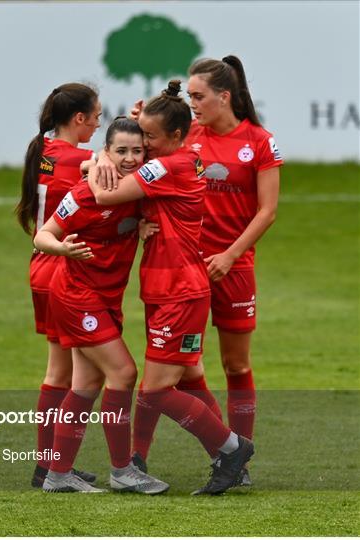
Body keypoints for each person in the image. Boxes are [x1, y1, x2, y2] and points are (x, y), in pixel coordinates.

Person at [88, 80, 254, 495]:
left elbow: (106, 197)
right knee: (190, 376)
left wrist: (95, 164)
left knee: (156, 390)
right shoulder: (187, 155)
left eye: (150, 136)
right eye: (142, 134)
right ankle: (214, 458)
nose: (142, 143)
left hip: (178, 291)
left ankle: (232, 448)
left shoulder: (167, 166)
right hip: (172, 288)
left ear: (175, 137)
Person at [131, 56, 283, 486]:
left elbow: (267, 211)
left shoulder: (259, 141)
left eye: (199, 96)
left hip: (232, 266)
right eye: (191, 96)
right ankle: (139, 458)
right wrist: (135, 123)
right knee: (176, 366)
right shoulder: (186, 134)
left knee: (235, 366)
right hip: (184, 270)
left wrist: (231, 255)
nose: (193, 103)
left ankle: (240, 461)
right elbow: (142, 156)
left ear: (224, 96)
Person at [33, 116, 170, 494]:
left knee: (86, 384)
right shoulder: (83, 194)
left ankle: (57, 475)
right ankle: (122, 470)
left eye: (136, 151)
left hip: (107, 300)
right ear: (106, 152)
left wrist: (141, 227)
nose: (129, 158)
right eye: (120, 151)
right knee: (124, 373)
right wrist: (62, 248)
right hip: (77, 298)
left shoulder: (137, 189)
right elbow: (42, 235)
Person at [15, 82, 101, 488]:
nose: (100, 123)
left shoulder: (44, 150)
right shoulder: (81, 158)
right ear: (79, 118)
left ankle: (48, 464)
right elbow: (116, 166)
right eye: (97, 116)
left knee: (60, 371)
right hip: (60, 268)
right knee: (71, 374)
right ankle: (51, 467)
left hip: (40, 264)